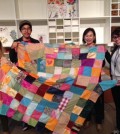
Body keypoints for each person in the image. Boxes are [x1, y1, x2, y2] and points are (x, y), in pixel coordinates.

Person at [82, 28, 111, 131]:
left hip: (97, 80)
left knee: (98, 101)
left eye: (90, 35)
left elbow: (110, 61)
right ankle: (88, 119)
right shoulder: (82, 50)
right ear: (84, 37)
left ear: (94, 37)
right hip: (84, 80)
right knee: (86, 101)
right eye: (86, 35)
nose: (88, 37)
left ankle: (99, 121)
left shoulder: (100, 49)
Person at [111, 27, 120, 134]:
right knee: (118, 107)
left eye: (118, 36)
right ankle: (118, 128)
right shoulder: (116, 49)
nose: (117, 39)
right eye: (115, 37)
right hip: (114, 82)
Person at [0, 41, 10, 134]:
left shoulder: (4, 60)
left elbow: (12, 72)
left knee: (2, 110)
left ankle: (5, 130)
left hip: (2, 89)